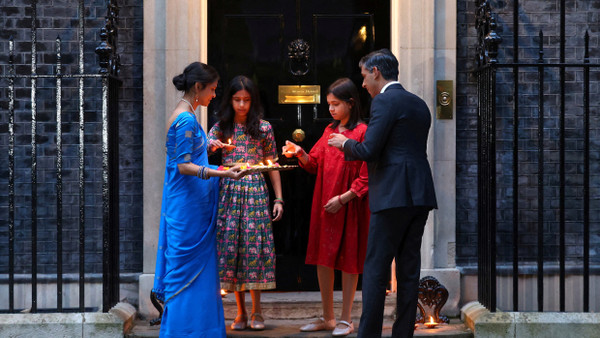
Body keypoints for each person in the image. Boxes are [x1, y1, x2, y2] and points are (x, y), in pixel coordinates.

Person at [328, 49, 437, 338]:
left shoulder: (384, 102)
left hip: (391, 196)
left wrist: (343, 143)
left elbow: (369, 149)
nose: (362, 84)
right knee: (409, 269)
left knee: (376, 271)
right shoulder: (418, 104)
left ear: (376, 71)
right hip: (420, 194)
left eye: (364, 76)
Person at [152, 62, 247, 337]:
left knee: (196, 273)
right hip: (188, 208)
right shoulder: (186, 119)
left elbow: (186, 149)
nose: (214, 95)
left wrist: (209, 145)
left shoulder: (186, 115)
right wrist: (223, 173)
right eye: (213, 89)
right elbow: (182, 165)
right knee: (188, 273)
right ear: (197, 88)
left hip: (189, 203)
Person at [283, 78, 370, 337]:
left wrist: (344, 198)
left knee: (349, 259)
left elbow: (366, 175)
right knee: (324, 258)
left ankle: (346, 318)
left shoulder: (363, 131)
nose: (331, 109)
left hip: (348, 204)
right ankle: (328, 317)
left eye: (336, 104)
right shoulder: (329, 131)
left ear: (350, 104)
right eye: (329, 104)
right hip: (325, 201)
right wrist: (299, 152)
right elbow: (314, 164)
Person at [207, 75, 283, 331]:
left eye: (246, 100)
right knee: (233, 249)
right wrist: (211, 147)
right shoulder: (219, 128)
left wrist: (279, 198)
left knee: (254, 248)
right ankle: (239, 312)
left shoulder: (263, 129)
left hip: (254, 192)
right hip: (228, 192)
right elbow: (202, 154)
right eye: (237, 99)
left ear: (253, 101)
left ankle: (257, 311)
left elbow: (273, 165)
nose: (241, 105)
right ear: (229, 100)